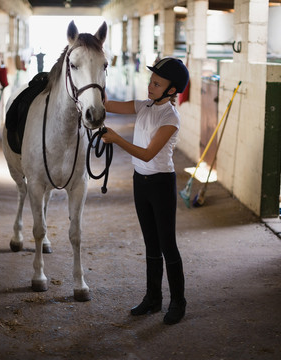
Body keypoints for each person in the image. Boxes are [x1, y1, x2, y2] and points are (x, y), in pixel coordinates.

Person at [102, 57, 189, 325]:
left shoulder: (170, 117)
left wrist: (117, 139)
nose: (150, 86)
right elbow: (106, 104)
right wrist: (96, 78)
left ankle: (178, 301)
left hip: (161, 183)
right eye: (150, 81)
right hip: (140, 181)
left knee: (167, 245)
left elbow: (149, 154)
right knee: (151, 243)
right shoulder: (145, 106)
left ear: (172, 90)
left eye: (156, 83)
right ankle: (153, 298)